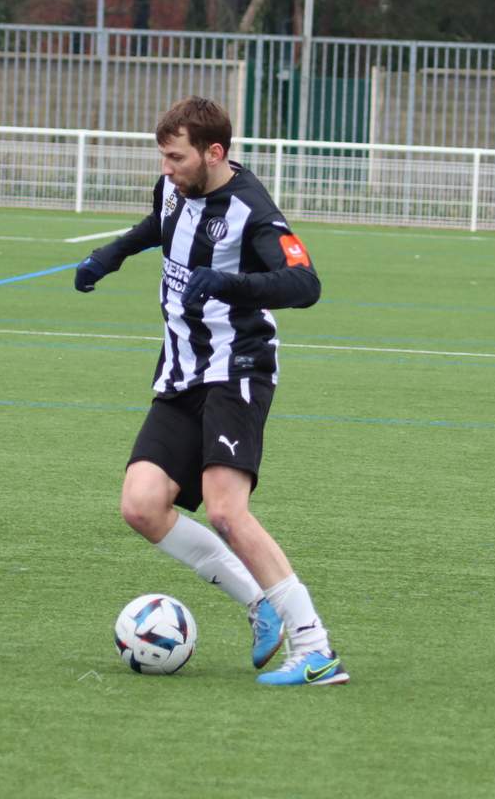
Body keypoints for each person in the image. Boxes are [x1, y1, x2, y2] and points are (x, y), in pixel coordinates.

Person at [74, 96, 347, 686]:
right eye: (163, 157)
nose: (167, 168)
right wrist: (111, 255)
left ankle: (316, 648)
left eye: (177, 157)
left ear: (214, 152)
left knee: (226, 510)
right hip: (180, 374)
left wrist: (226, 282)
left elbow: (305, 284)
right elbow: (160, 224)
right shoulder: (173, 188)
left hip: (237, 369)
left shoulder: (252, 209)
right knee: (141, 505)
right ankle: (260, 605)